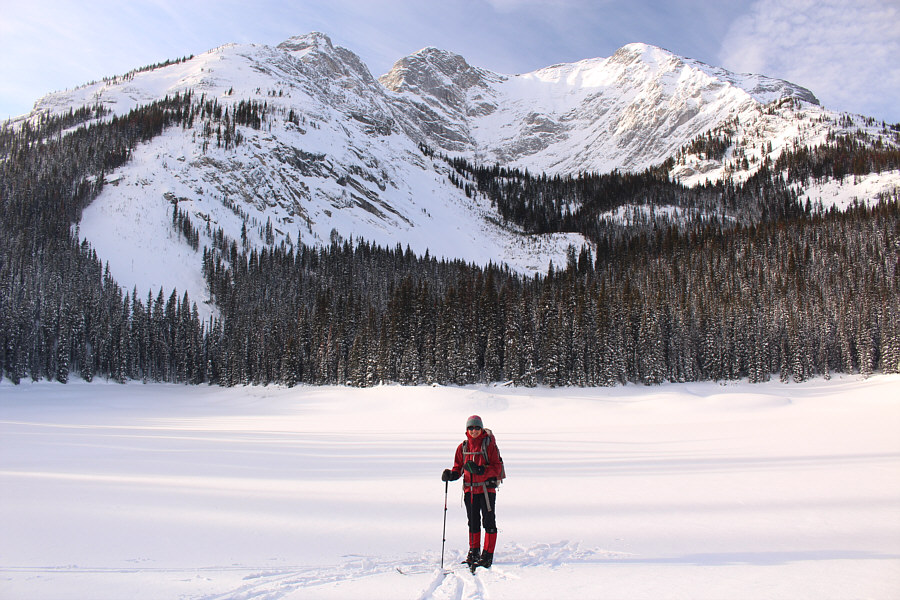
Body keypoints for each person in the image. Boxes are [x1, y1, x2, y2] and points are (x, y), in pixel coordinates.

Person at [441, 414, 503, 570]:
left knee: (488, 521)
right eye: (471, 428)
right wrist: (451, 475)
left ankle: (487, 555)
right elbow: (458, 468)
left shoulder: (488, 445)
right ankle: (474, 552)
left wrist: (482, 470)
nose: (474, 431)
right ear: (466, 430)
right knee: (473, 522)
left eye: (476, 427)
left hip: (486, 489)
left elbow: (497, 467)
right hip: (470, 490)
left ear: (481, 428)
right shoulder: (463, 447)